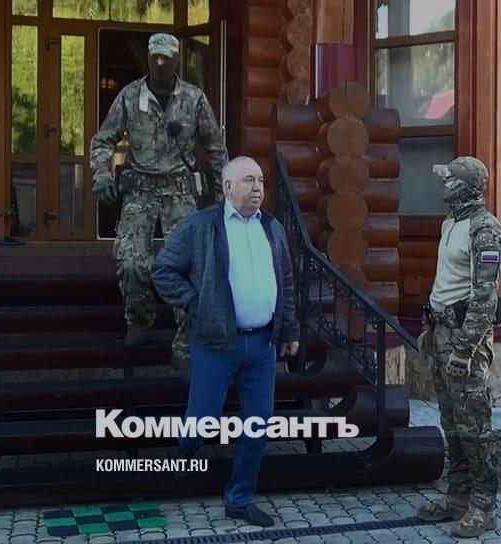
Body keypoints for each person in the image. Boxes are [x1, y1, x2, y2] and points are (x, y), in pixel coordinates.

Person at [150, 156, 300, 527]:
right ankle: (185, 453)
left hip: (262, 345)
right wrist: (195, 303)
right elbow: (163, 269)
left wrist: (289, 330)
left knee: (258, 423)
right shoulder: (201, 225)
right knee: (202, 421)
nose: (258, 187)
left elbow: (285, 281)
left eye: (261, 180)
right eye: (248, 180)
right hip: (216, 343)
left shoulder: (272, 228)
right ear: (228, 187)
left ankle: (239, 498)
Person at [88, 32, 228, 356]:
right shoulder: (129, 96)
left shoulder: (194, 99)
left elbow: (215, 149)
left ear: (178, 60)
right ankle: (138, 319)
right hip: (140, 193)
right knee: (132, 262)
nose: (161, 63)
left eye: (167, 58)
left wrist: (226, 195)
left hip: (180, 192)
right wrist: (101, 173)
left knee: (191, 263)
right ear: (149, 59)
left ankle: (186, 341)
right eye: (156, 58)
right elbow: (103, 140)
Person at [416, 156, 501, 538]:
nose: (443, 186)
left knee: (474, 427)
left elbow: (484, 299)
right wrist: (428, 326)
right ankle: (457, 497)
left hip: (464, 341)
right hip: (442, 334)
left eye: (449, 180)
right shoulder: (450, 223)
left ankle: (484, 506)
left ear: (464, 187)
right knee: (452, 422)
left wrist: (465, 350)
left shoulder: (486, 230)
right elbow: (444, 281)